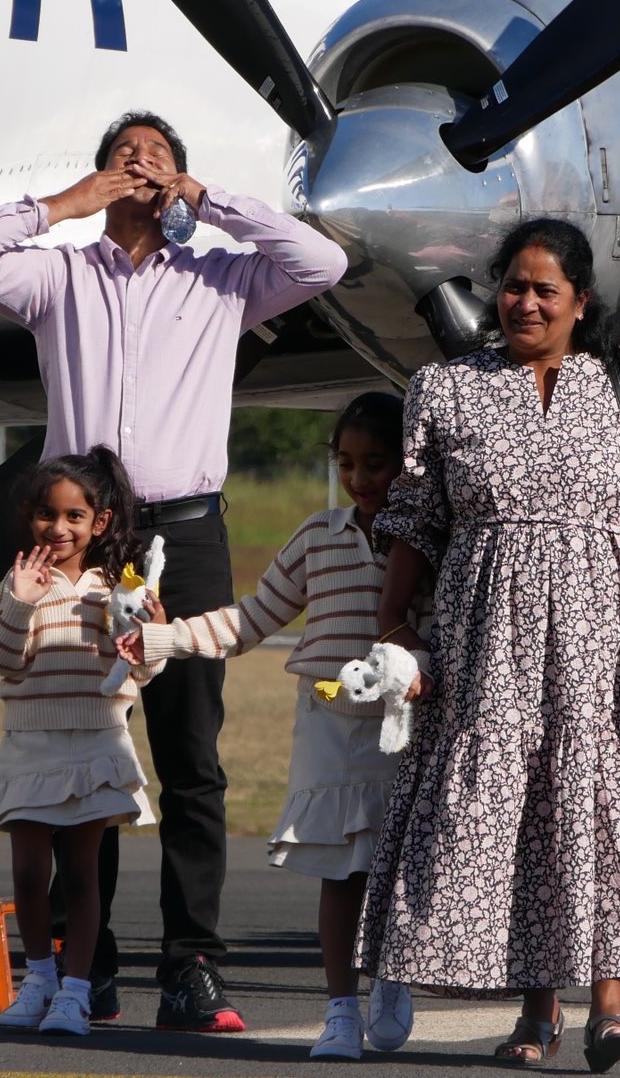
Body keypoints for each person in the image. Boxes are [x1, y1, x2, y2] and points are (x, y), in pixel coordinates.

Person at [0, 111, 346, 1030]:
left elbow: (324, 265)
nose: (141, 165)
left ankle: (192, 962)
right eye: (125, 156)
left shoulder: (225, 278)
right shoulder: (58, 275)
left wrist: (209, 200)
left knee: (191, 755)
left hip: (187, 533)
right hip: (88, 536)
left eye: (158, 158)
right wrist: (63, 205)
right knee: (85, 750)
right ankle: (89, 966)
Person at [361, 218, 620, 1073]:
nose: (525, 302)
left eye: (544, 290)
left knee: (599, 803)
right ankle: (536, 1012)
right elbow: (414, 518)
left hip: (610, 634)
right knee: (520, 806)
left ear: (579, 301)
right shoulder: (447, 389)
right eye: (514, 286)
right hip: (489, 636)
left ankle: (609, 1006)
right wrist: (392, 621)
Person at [120, 392, 424, 1060]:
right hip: (330, 730)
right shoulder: (318, 536)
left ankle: (393, 981)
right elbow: (252, 617)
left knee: (400, 869)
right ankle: (341, 1009)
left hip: (406, 727)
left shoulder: (434, 539)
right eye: (347, 462)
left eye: (377, 463)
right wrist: (166, 639)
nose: (361, 478)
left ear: (411, 462)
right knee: (342, 872)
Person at [0, 448, 162, 1036]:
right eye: (47, 516)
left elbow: (144, 672)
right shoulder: (22, 579)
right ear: (31, 517)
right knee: (29, 874)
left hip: (97, 740)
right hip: (31, 742)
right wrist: (20, 603)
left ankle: (76, 993)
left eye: (75, 517)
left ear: (98, 522)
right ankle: (40, 980)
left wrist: (151, 631)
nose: (59, 529)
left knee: (83, 875)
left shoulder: (117, 587)